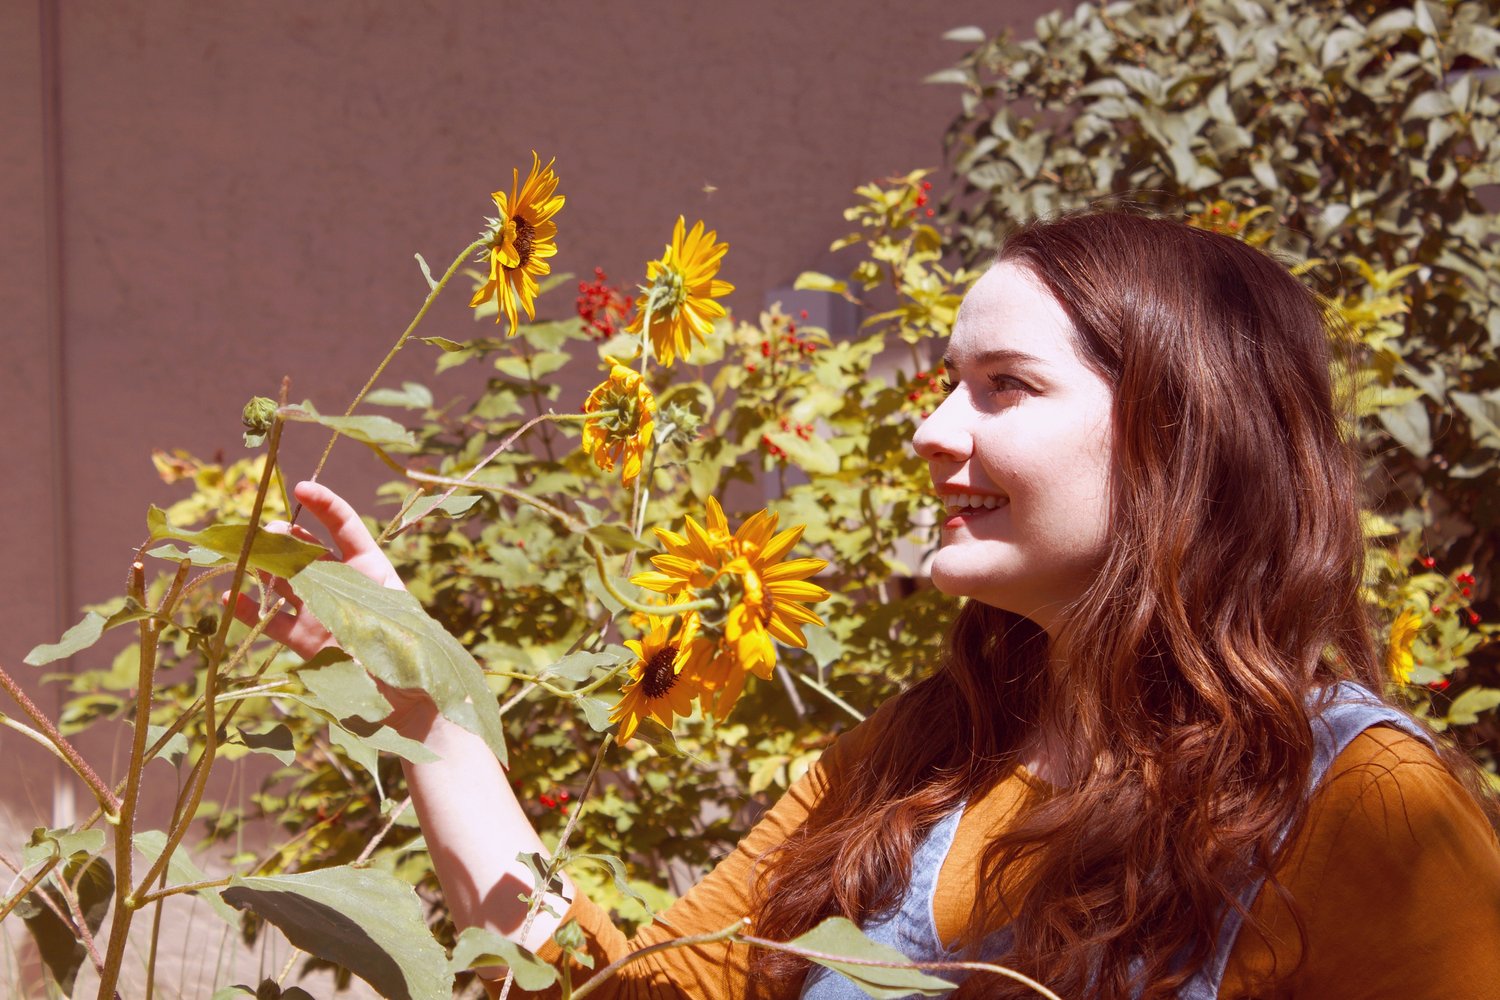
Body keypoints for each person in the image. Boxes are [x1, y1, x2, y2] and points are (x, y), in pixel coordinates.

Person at [236, 212, 1500, 999]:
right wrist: (428, 708)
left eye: (1005, 386)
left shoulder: (1361, 811)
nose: (932, 429)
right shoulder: (912, 766)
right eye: (947, 380)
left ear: (1184, 435)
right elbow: (617, 993)